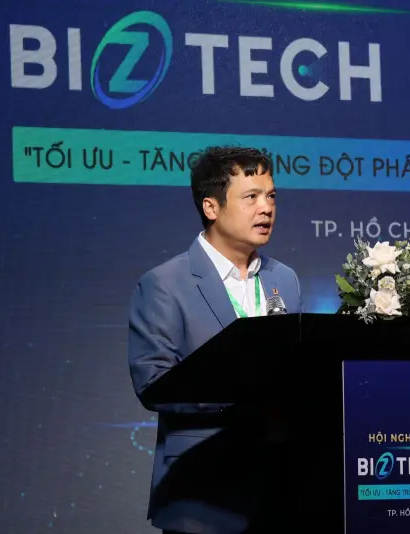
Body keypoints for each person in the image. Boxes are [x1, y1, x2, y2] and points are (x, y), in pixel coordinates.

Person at [127, 146, 302, 534]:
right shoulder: (164, 284)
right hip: (200, 491)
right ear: (211, 207)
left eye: (271, 196)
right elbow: (153, 383)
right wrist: (246, 394)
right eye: (251, 197)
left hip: (278, 491)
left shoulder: (284, 279)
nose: (266, 208)